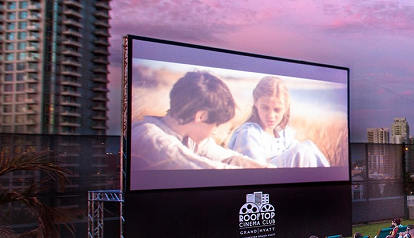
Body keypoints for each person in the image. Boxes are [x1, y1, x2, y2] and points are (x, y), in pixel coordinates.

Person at [131, 71, 268, 171]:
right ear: (201, 116)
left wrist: (267, 169)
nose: (214, 132)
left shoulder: (188, 139)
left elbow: (227, 157)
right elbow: (205, 168)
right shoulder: (148, 137)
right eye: (215, 125)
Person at [228, 75, 329, 167]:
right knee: (303, 151)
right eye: (265, 108)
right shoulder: (249, 134)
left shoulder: (283, 134)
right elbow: (254, 173)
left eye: (277, 110)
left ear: (286, 108)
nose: (271, 116)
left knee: (308, 147)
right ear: (256, 103)